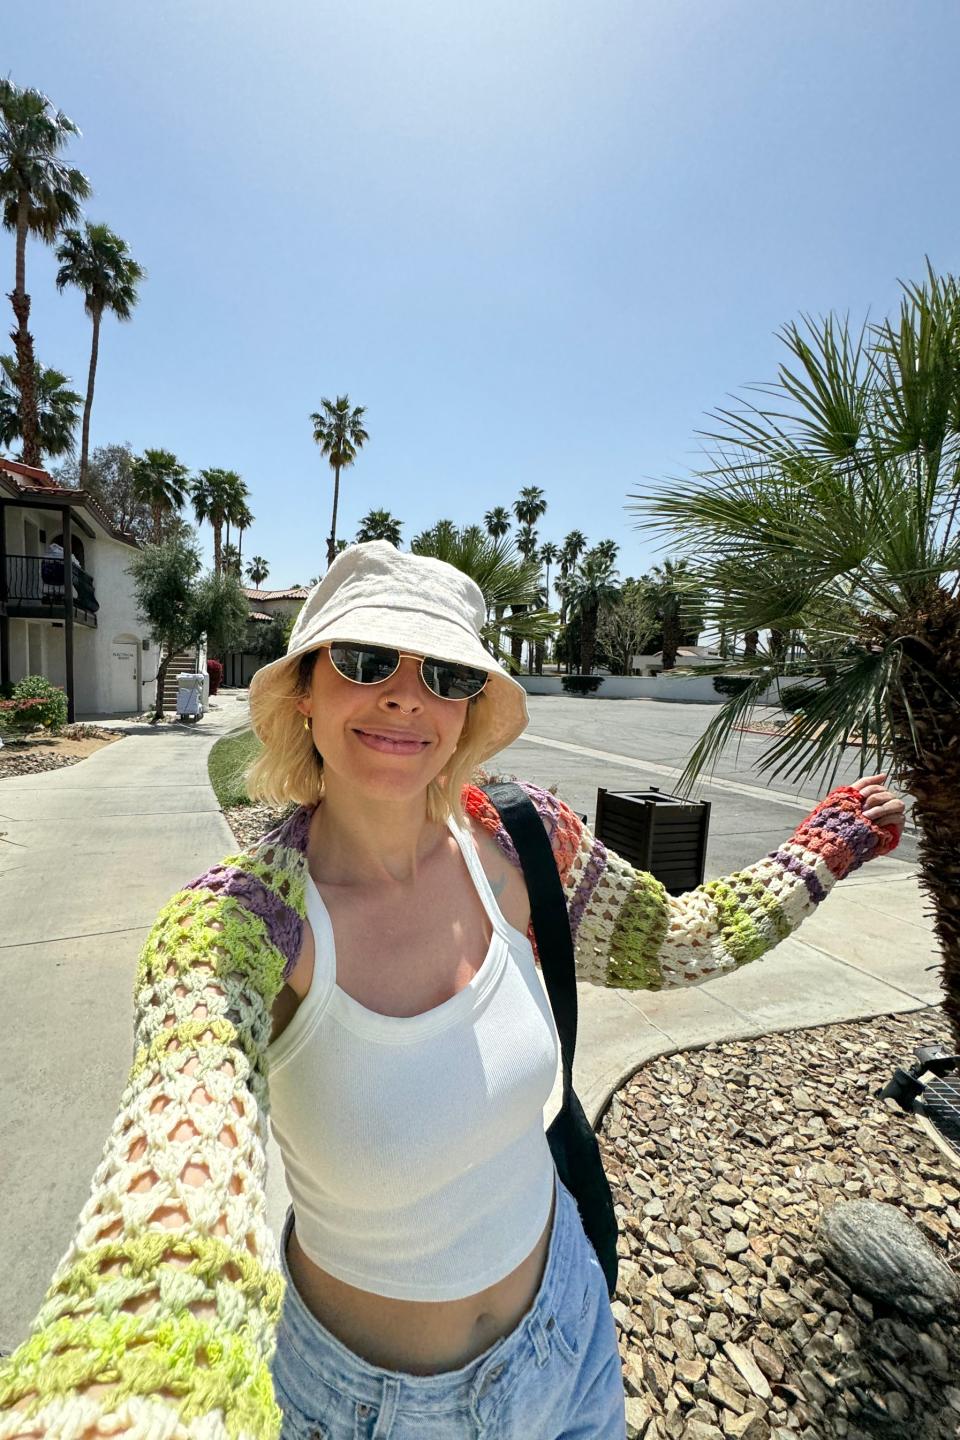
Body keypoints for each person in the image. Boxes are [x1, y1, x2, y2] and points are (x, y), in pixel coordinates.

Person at [0, 540, 906, 1440]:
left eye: (445, 672)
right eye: (364, 662)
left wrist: (818, 852)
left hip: (573, 1332)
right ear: (304, 693)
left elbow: (676, 942)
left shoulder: (523, 841)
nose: (406, 694)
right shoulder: (239, 927)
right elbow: (174, 1157)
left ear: (470, 711)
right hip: (369, 1409)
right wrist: (131, 1389)